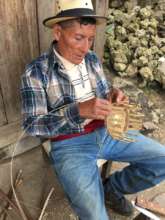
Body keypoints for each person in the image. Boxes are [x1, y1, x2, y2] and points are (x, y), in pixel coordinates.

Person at [20, 1, 165, 220]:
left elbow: (104, 91)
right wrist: (78, 110)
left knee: (161, 159)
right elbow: (33, 125)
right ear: (58, 32)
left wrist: (114, 95)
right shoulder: (36, 72)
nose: (86, 47)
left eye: (90, 39)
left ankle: (112, 188)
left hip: (107, 132)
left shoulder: (92, 60)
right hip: (69, 145)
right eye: (78, 38)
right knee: (95, 216)